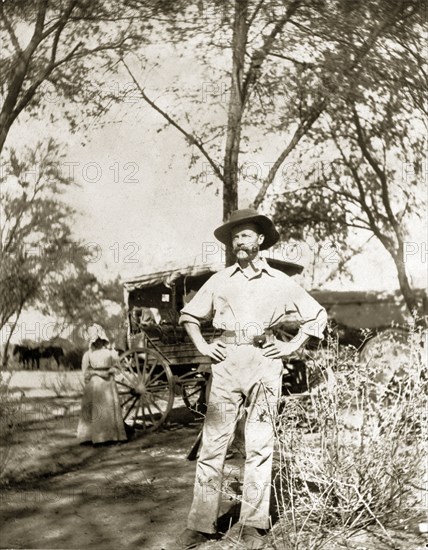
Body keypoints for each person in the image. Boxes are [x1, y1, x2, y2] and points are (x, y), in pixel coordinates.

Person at [176, 208, 327, 549]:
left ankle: (253, 525)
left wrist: (290, 347)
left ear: (260, 240)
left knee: (259, 446)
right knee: (213, 445)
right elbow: (190, 315)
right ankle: (200, 524)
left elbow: (316, 315)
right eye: (234, 236)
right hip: (227, 362)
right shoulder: (220, 279)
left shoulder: (279, 281)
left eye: (244, 235)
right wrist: (202, 345)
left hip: (263, 362)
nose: (238, 241)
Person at [77, 324, 127, 445]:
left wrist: (111, 371)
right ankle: (91, 437)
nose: (97, 342)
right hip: (95, 385)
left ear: (102, 338)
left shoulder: (111, 353)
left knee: (108, 408)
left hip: (108, 383)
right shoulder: (88, 355)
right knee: (95, 409)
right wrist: (93, 374)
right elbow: (85, 372)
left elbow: (119, 369)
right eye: (94, 340)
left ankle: (111, 436)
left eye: (99, 339)